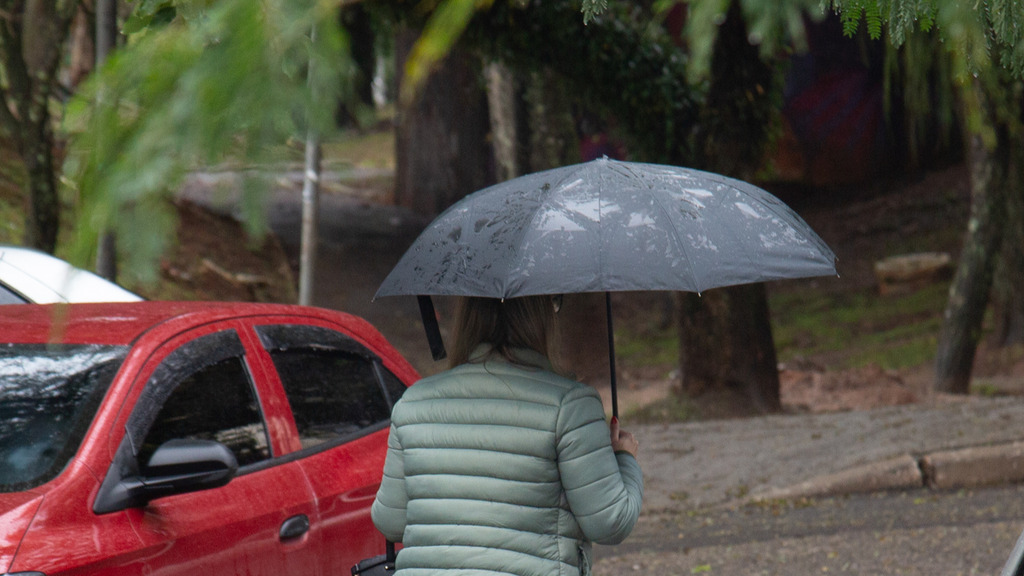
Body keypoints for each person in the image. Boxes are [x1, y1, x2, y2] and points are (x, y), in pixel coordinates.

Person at [371, 295, 643, 576]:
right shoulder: (570, 405)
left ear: (466, 319)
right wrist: (624, 459)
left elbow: (390, 521)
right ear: (541, 318)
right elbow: (610, 523)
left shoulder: (413, 403)